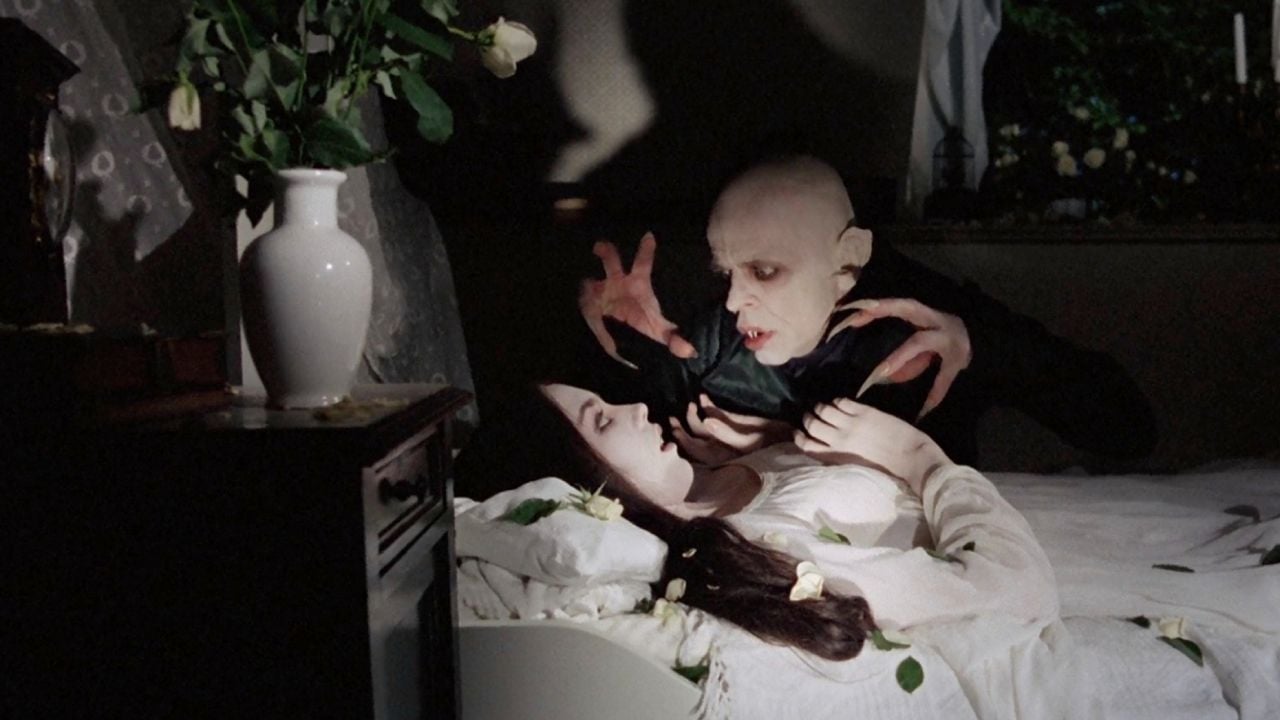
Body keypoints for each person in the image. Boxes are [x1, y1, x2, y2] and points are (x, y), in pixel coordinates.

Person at [578, 154, 1157, 468]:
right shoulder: (726, 331)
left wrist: (986, 346)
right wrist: (637, 351)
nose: (733, 300)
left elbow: (1129, 429)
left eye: (765, 271)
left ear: (849, 256)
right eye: (727, 273)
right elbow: (623, 456)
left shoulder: (927, 322)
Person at [454, 381, 1058, 661]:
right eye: (603, 419)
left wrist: (770, 449)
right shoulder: (764, 551)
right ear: (587, 489)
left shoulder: (709, 485)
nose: (636, 407)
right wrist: (920, 457)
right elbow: (1014, 589)